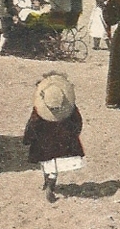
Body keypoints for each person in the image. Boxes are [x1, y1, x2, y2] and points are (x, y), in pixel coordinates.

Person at [23, 72, 84, 203]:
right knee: (56, 165)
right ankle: (51, 184)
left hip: (43, 143)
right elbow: (77, 123)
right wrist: (73, 135)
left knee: (46, 162)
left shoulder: (39, 110)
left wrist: (27, 138)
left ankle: (46, 181)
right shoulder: (70, 109)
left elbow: (32, 124)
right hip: (62, 142)